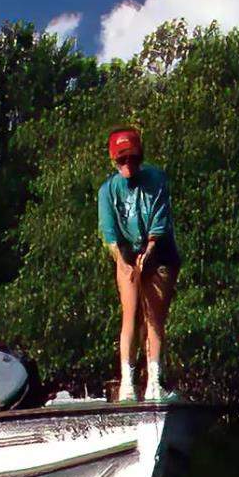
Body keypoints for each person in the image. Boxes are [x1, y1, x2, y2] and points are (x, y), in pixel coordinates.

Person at [98, 126, 180, 401]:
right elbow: (109, 231)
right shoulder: (108, 190)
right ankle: (127, 383)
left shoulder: (156, 180)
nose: (128, 165)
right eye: (122, 160)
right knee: (130, 313)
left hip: (159, 250)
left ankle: (154, 381)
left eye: (132, 158)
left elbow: (160, 220)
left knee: (154, 316)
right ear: (114, 161)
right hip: (126, 251)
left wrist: (150, 251)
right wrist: (124, 262)